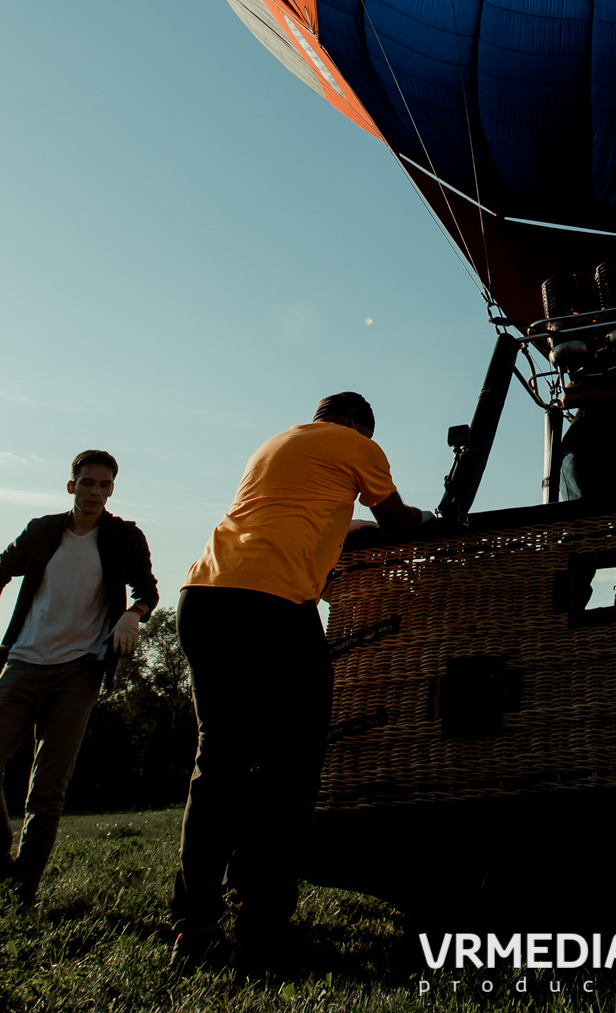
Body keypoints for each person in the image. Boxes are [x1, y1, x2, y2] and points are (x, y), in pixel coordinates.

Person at [170, 392, 425, 970]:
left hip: (205, 597)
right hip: (273, 605)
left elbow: (307, 513)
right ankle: (260, 926)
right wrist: (424, 520)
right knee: (292, 767)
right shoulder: (360, 446)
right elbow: (397, 520)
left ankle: (195, 928)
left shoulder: (277, 445)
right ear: (362, 426)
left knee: (219, 765)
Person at [0, 450, 159, 915]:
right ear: (71, 486)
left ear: (112, 490)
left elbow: (149, 590)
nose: (95, 492)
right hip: (21, 663)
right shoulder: (43, 530)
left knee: (47, 789)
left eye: (104, 485)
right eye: (87, 483)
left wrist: (131, 617)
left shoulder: (124, 537)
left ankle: (23, 888)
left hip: (78, 672)